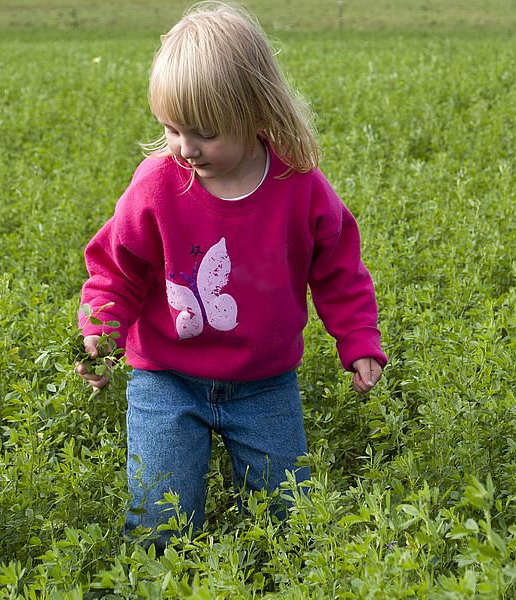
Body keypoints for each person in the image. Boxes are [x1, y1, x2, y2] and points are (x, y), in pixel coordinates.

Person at [75, 0, 387, 547]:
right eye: (171, 129)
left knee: (292, 521)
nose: (186, 148)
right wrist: (98, 335)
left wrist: (358, 337)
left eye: (204, 132)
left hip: (265, 384)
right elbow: (116, 269)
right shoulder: (156, 185)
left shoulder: (299, 185)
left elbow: (339, 266)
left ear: (256, 112)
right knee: (161, 521)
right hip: (166, 379)